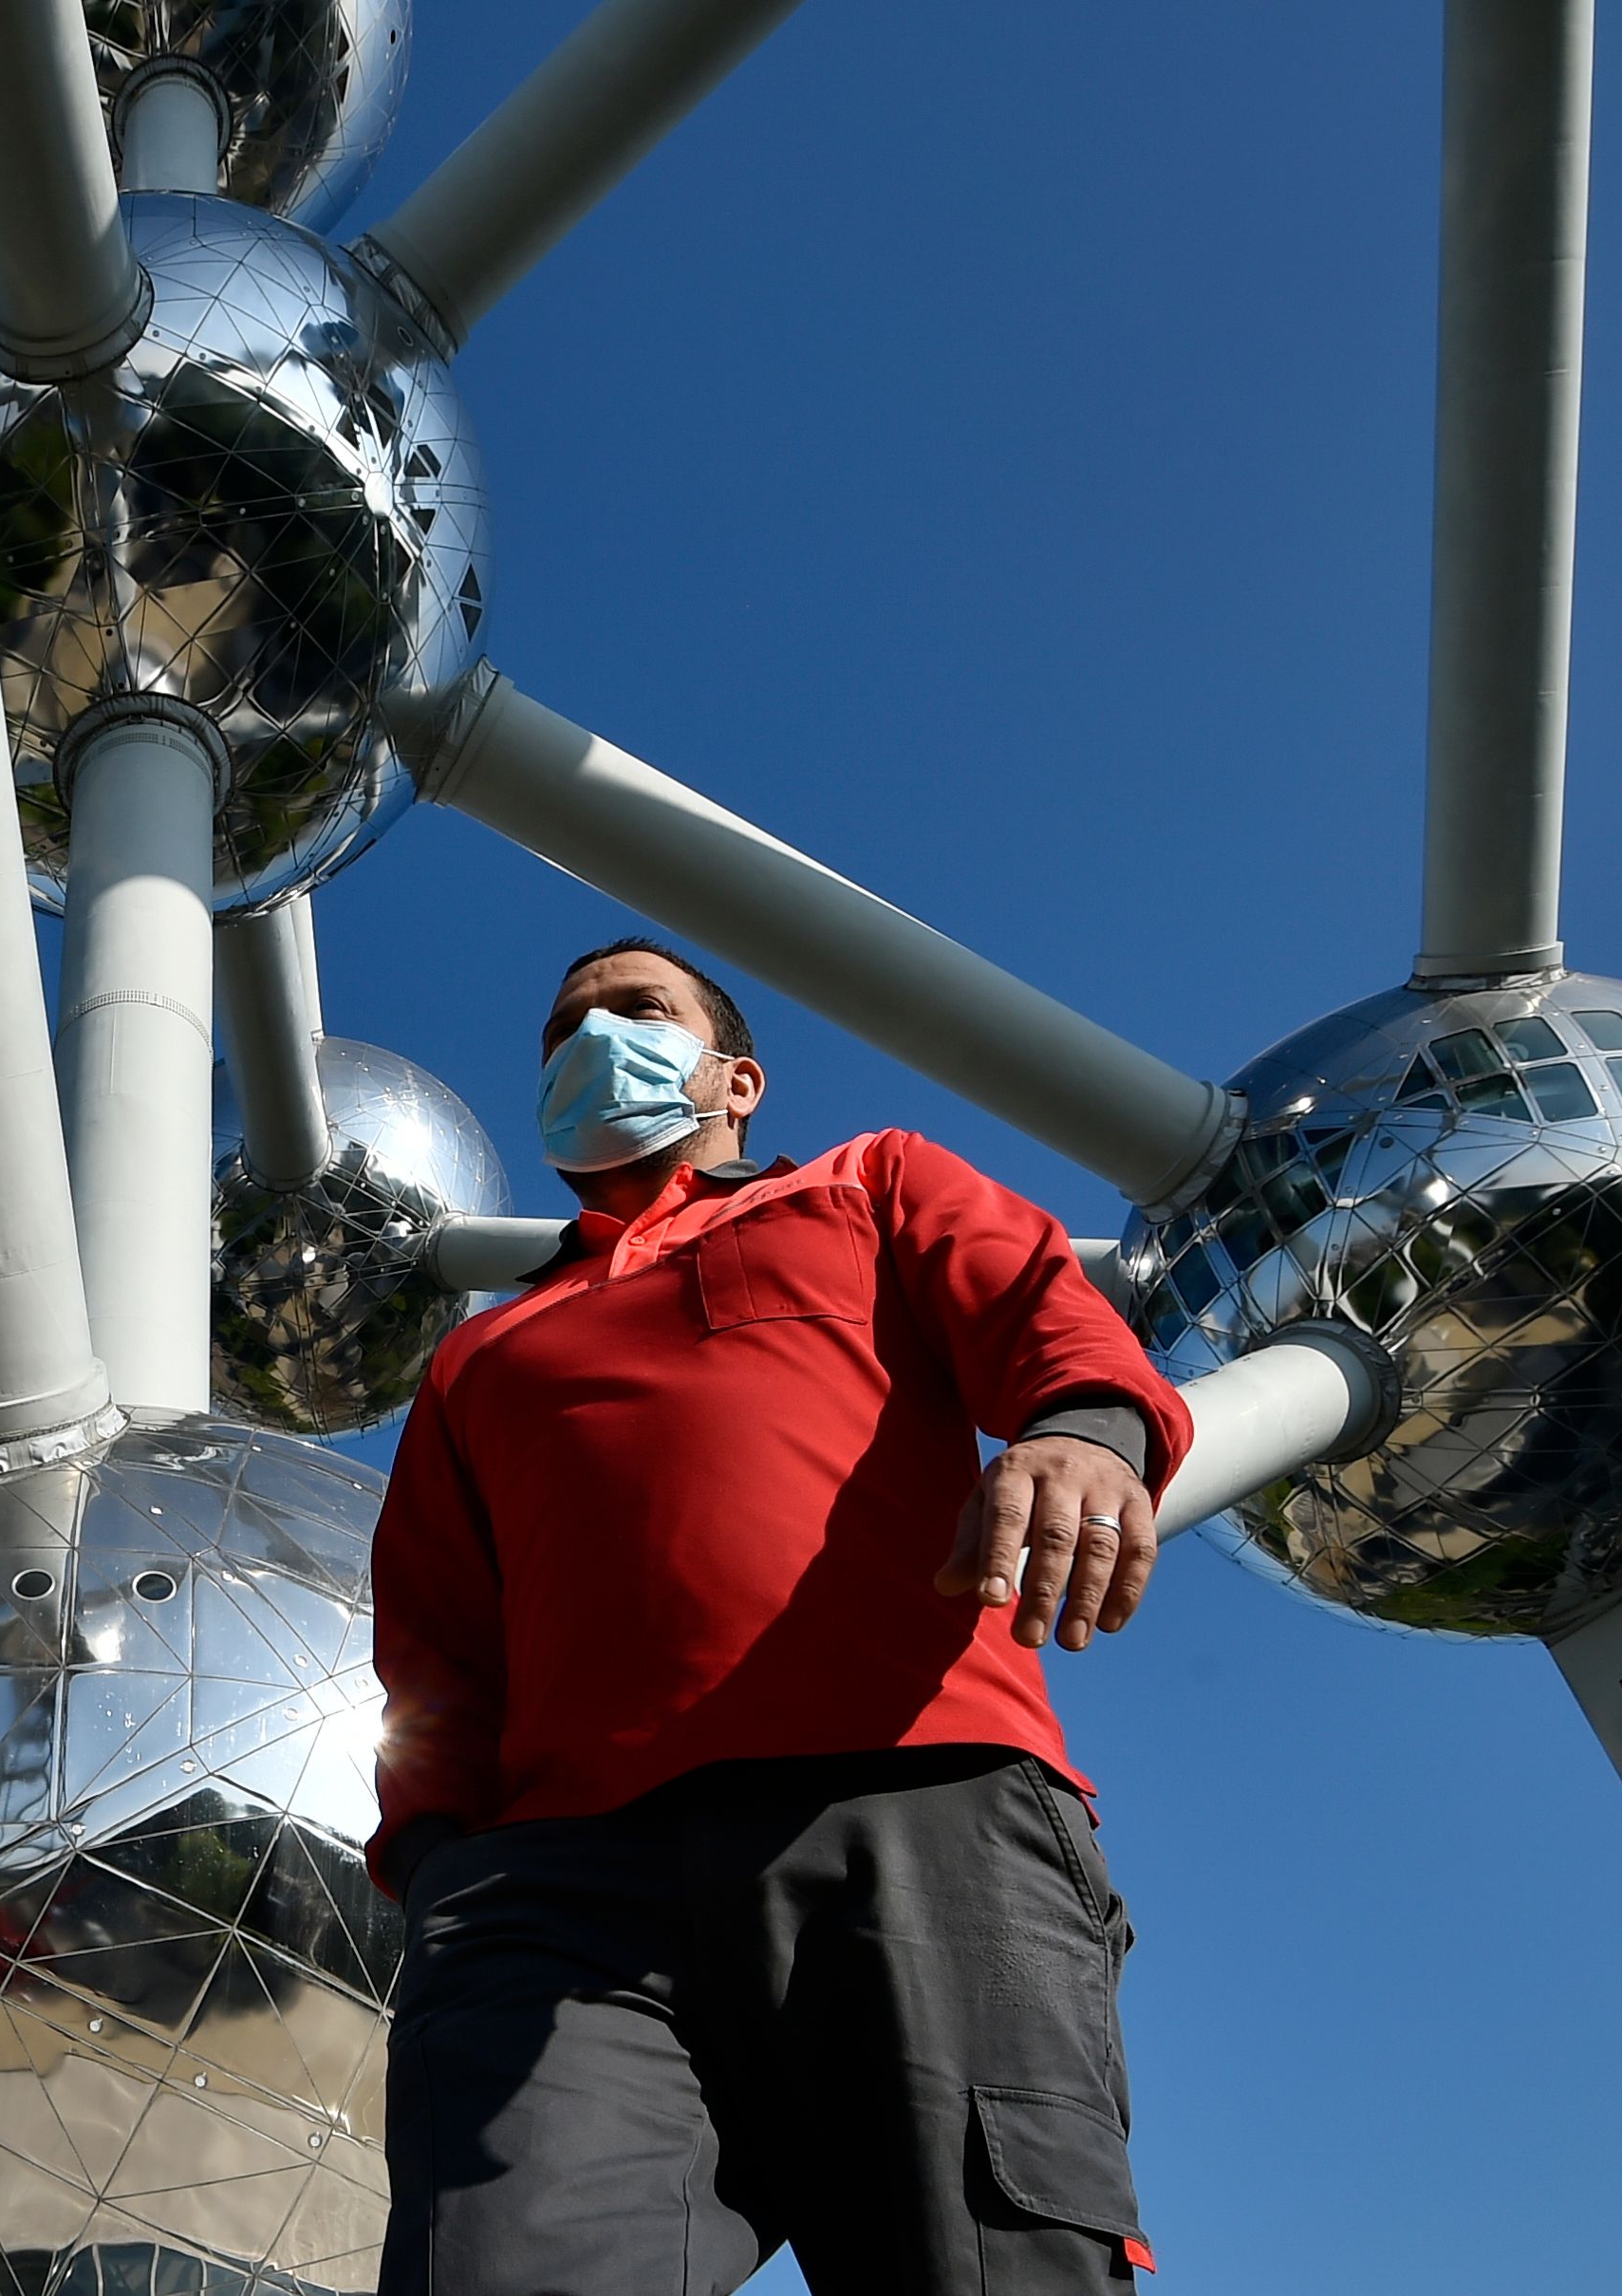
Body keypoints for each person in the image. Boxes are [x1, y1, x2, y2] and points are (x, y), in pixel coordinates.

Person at [371, 938, 1194, 2296]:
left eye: (636, 1011)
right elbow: (437, 1648)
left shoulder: (870, 1185)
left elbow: (1045, 1315)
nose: (591, 1043)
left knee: (991, 2266)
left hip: (911, 1808)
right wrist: (449, 1871)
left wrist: (1086, 1435)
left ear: (737, 1078)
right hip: (563, 1894)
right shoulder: (480, 1354)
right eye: (563, 1030)